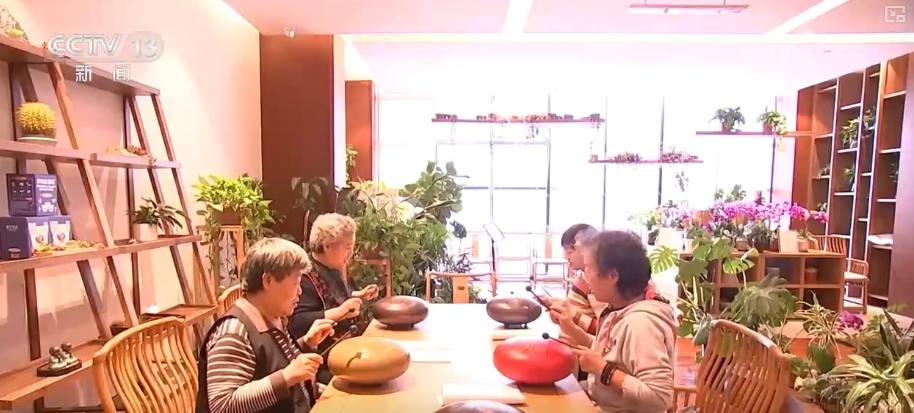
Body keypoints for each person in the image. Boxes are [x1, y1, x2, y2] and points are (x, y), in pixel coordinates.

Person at [197, 237, 336, 413]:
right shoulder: (234, 332)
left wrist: (306, 343)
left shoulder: (272, 316)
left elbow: (269, 364)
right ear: (268, 281)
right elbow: (222, 405)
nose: (300, 291)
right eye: (296, 283)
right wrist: (286, 377)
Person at [553, 230, 677, 413]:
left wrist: (603, 369)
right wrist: (571, 329)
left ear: (612, 275)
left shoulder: (641, 324)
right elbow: (612, 353)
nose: (585, 278)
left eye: (588, 270)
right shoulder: (620, 309)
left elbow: (659, 398)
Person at [288, 213, 379, 385]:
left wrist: (358, 295)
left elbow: (332, 297)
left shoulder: (333, 267)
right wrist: (340, 311)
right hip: (324, 361)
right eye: (348, 246)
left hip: (347, 347)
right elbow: (297, 321)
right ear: (327, 245)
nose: (351, 252)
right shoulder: (304, 276)